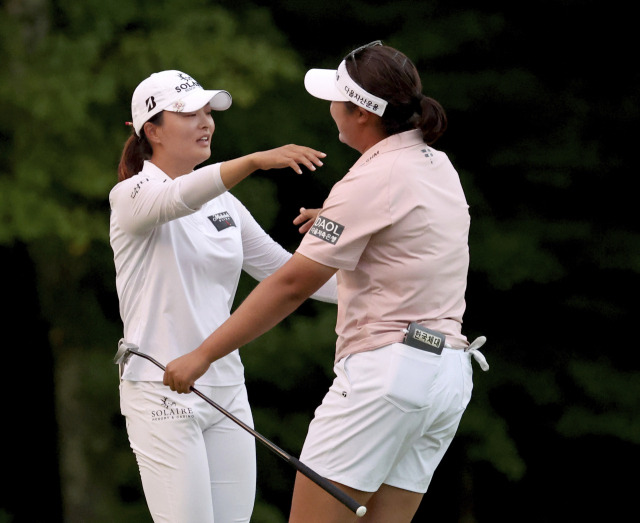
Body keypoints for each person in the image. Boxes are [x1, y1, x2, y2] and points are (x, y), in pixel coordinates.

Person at [163, 42, 489, 523]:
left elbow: (291, 284)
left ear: (359, 113)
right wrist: (340, 221)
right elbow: (410, 233)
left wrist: (202, 355)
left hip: (388, 374)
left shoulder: (369, 180)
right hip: (448, 375)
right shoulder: (435, 162)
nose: (330, 107)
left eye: (337, 98)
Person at [110, 69, 338, 523]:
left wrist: (386, 289)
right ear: (151, 130)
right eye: (190, 113)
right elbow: (175, 199)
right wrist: (253, 161)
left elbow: (284, 272)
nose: (206, 122)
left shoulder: (225, 204)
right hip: (160, 391)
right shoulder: (130, 196)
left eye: (208, 112)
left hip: (226, 390)